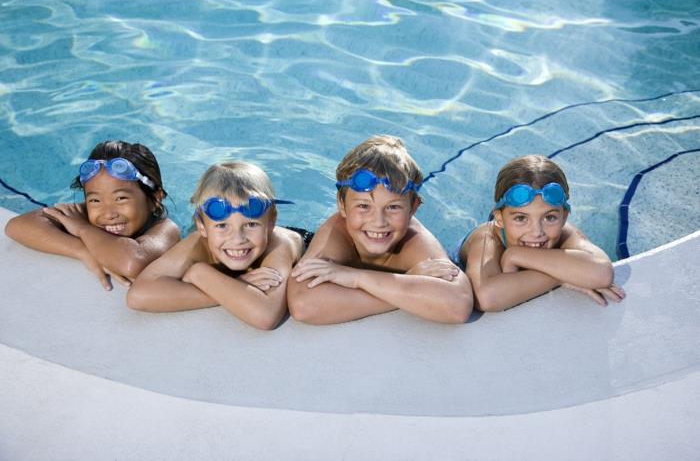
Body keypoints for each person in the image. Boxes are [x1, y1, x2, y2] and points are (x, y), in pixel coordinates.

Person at [288, 135, 473, 325]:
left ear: (413, 208)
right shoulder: (336, 234)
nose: (378, 222)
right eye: (363, 206)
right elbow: (304, 305)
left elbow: (458, 306)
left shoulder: (414, 240)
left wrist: (356, 278)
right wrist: (407, 280)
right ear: (342, 205)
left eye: (393, 207)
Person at [127, 162, 305, 330]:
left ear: (271, 222)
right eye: (222, 225)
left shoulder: (280, 244)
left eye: (251, 224)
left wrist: (199, 274)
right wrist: (236, 284)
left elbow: (265, 315)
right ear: (202, 227)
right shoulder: (198, 242)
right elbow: (138, 295)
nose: (237, 239)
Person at [455, 154, 625, 312]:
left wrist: (516, 255)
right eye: (521, 218)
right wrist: (562, 277)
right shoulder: (486, 239)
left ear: (564, 217)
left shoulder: (565, 234)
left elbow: (602, 273)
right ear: (499, 217)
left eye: (549, 218)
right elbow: (486, 298)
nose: (536, 232)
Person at [4, 140, 180, 290]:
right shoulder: (86, 213)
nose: (108, 213)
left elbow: (132, 263)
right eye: (95, 200)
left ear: (155, 199)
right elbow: (18, 225)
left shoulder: (165, 229)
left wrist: (82, 229)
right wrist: (83, 251)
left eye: (120, 198)